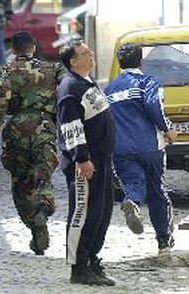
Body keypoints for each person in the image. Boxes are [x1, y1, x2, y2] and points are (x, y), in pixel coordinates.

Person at [0, 31, 63, 256]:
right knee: (42, 175)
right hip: (44, 126)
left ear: (13, 49)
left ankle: (34, 225)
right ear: (33, 47)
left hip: (18, 129)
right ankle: (43, 208)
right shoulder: (53, 69)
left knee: (21, 180)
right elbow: (68, 89)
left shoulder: (6, 70)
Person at [104, 43, 177, 253]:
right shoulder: (147, 82)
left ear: (120, 64)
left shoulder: (109, 90)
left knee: (133, 183)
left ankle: (132, 201)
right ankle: (163, 240)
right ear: (141, 62)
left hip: (121, 149)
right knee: (157, 191)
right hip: (149, 146)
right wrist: (168, 129)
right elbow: (154, 106)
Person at [57, 40, 116, 286]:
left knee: (102, 214)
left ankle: (91, 259)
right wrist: (82, 158)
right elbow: (71, 127)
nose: (91, 54)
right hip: (86, 164)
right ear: (73, 61)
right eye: (85, 53)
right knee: (84, 214)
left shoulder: (87, 82)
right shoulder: (70, 87)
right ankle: (78, 268)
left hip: (102, 160)